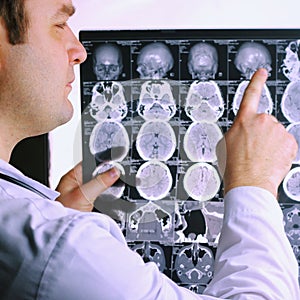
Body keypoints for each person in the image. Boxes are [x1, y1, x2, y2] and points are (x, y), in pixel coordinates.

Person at [0, 1, 298, 299]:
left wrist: (56, 229)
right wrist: (253, 181)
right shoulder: (55, 245)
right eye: (59, 24)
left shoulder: (33, 231)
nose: (79, 51)